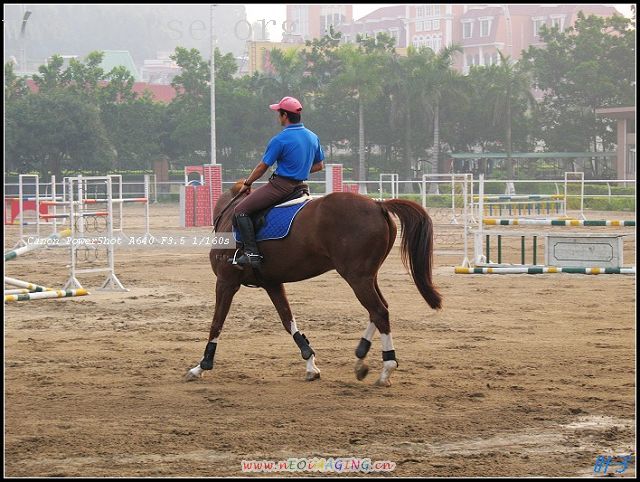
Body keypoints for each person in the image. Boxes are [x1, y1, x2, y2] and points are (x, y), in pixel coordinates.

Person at [233, 96, 325, 269]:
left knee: (240, 210)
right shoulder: (313, 137)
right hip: (300, 187)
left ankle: (252, 253)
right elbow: (319, 165)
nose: (278, 117)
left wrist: (248, 182)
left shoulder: (280, 139)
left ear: (284, 116)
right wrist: (301, 169)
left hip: (281, 186)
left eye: (278, 114)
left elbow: (262, 167)